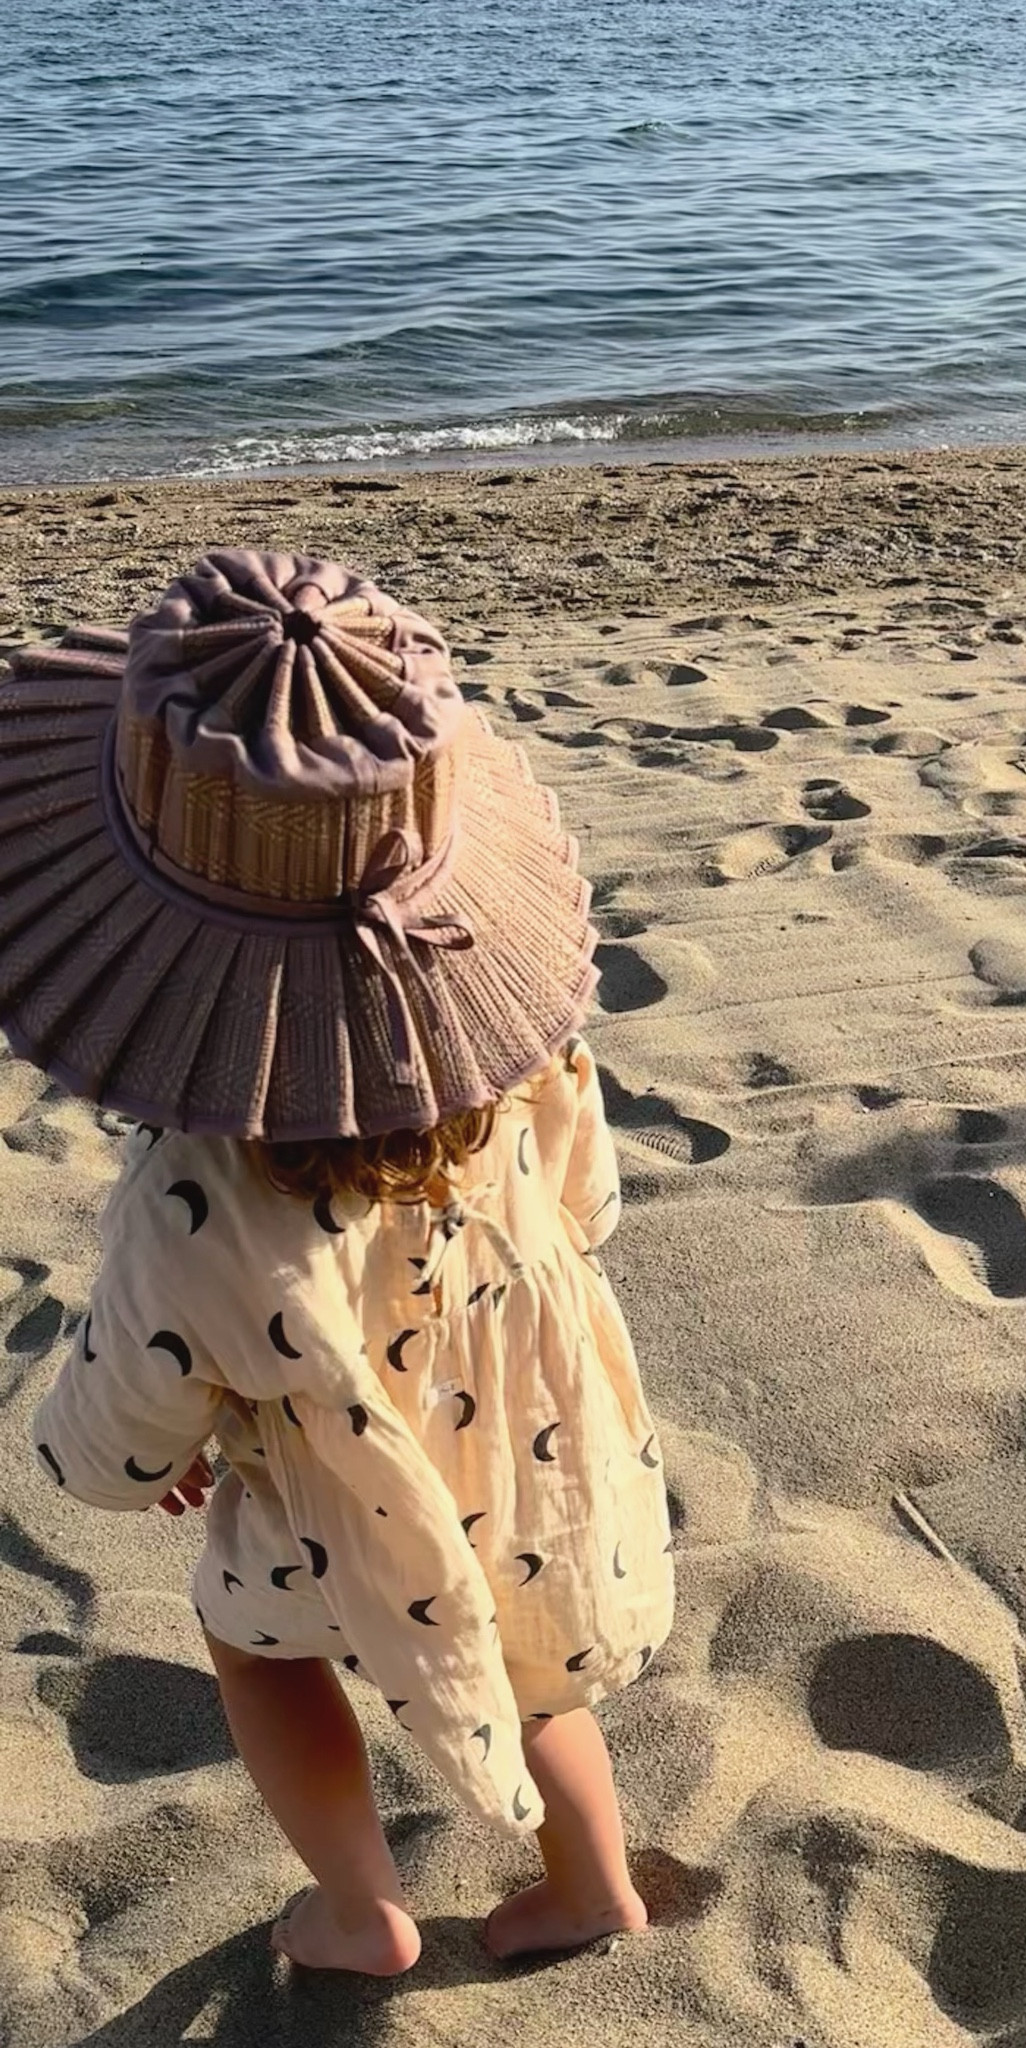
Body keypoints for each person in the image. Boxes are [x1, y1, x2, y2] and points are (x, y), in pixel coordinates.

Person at [0, 548, 673, 1976]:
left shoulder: (200, 1196)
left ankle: (363, 1910)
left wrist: (151, 1451)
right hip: (533, 1448)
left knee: (262, 1651)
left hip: (327, 1499)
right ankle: (594, 1886)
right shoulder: (528, 1044)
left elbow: (122, 1428)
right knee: (535, 1656)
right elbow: (586, 1206)